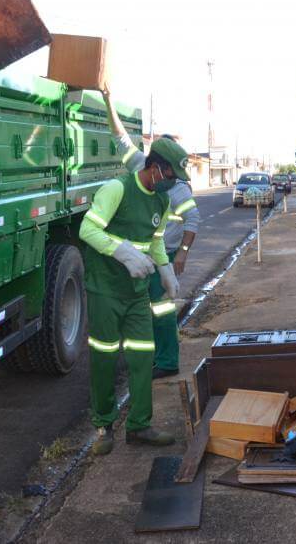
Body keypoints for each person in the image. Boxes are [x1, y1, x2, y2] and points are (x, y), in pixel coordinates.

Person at [78, 134, 191, 455]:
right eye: (171, 176)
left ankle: (139, 425)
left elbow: (155, 241)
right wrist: (122, 252)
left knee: (143, 356)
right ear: (155, 167)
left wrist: (165, 269)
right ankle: (103, 425)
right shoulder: (118, 189)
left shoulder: (161, 200)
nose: (173, 184)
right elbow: (87, 230)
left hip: (137, 292)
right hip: (105, 290)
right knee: (105, 357)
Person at [102, 90, 200, 379]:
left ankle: (167, 361)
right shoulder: (140, 166)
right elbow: (121, 139)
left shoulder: (176, 187)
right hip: (145, 253)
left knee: (161, 309)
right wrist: (108, 100)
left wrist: (180, 256)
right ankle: (157, 356)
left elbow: (193, 218)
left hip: (163, 255)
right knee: (148, 310)